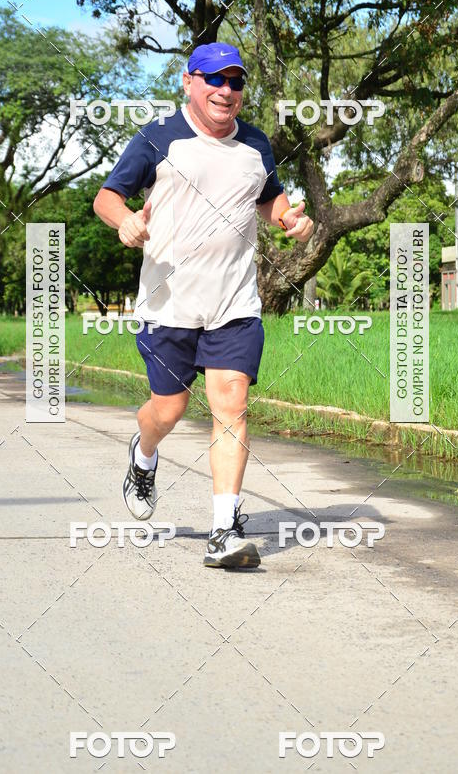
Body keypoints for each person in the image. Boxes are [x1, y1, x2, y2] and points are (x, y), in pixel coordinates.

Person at [93, 41, 314, 568]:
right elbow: (107, 196)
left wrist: (289, 219)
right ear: (188, 82)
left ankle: (224, 529)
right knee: (169, 408)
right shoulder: (158, 137)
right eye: (215, 80)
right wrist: (124, 221)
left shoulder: (256, 145)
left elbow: (269, 198)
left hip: (235, 301)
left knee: (231, 405)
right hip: (169, 303)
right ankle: (143, 455)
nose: (226, 91)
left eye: (236, 82)